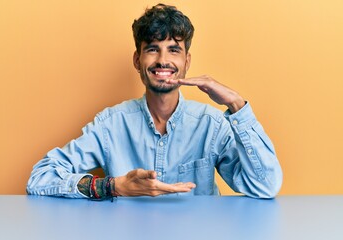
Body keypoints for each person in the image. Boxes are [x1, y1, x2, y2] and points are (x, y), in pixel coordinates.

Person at [27, 3, 282, 199]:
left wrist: (237, 105)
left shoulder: (211, 124)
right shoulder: (110, 124)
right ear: (137, 61)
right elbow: (39, 178)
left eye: (173, 49)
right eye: (152, 48)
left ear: (186, 62)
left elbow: (265, 185)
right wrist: (114, 186)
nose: (162, 60)